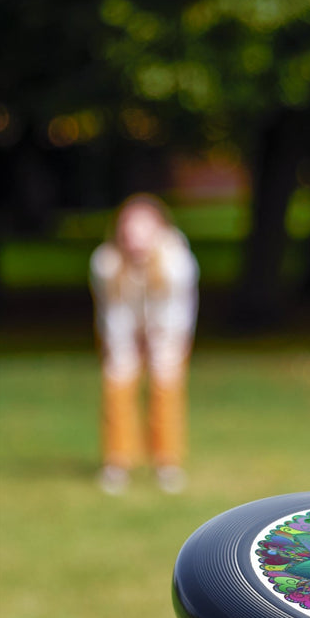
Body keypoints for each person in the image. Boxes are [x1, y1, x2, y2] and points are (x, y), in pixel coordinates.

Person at [90, 193, 199, 494]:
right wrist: (125, 347)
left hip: (167, 331)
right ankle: (117, 462)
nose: (135, 237)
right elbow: (113, 312)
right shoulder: (106, 262)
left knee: (166, 386)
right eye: (129, 229)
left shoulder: (177, 262)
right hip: (122, 330)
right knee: (117, 383)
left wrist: (159, 344)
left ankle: (167, 463)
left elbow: (176, 312)